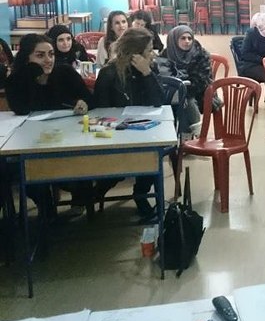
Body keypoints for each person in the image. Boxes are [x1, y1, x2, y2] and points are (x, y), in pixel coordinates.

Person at [6, 34, 94, 212]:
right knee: (29, 174)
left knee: (78, 174)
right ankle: (46, 209)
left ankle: (78, 199)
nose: (48, 60)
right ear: (27, 58)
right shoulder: (16, 79)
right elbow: (21, 108)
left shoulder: (65, 72)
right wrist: (32, 76)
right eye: (40, 55)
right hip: (31, 141)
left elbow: (90, 99)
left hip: (68, 138)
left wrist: (83, 103)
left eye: (51, 54)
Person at [93, 28, 164, 219]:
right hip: (114, 133)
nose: (153, 54)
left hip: (143, 131)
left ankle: (141, 194)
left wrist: (147, 73)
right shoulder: (108, 73)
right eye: (149, 50)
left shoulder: (149, 69)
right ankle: (98, 189)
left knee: (151, 154)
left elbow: (159, 101)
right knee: (118, 165)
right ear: (134, 54)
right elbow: (99, 112)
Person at [162, 25, 212, 135]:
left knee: (186, 101)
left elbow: (201, 82)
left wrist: (182, 91)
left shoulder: (200, 55)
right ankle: (169, 135)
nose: (187, 41)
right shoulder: (166, 54)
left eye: (190, 38)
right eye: (183, 38)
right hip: (173, 92)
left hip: (199, 92)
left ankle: (188, 135)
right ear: (174, 39)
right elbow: (163, 77)